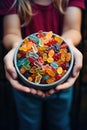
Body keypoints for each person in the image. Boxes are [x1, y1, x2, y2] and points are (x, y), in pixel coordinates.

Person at [0, 0, 85, 130]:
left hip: (62, 80)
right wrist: (17, 47)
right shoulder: (11, 2)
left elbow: (72, 29)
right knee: (28, 124)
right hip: (25, 84)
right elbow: (10, 33)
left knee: (60, 123)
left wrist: (68, 43)